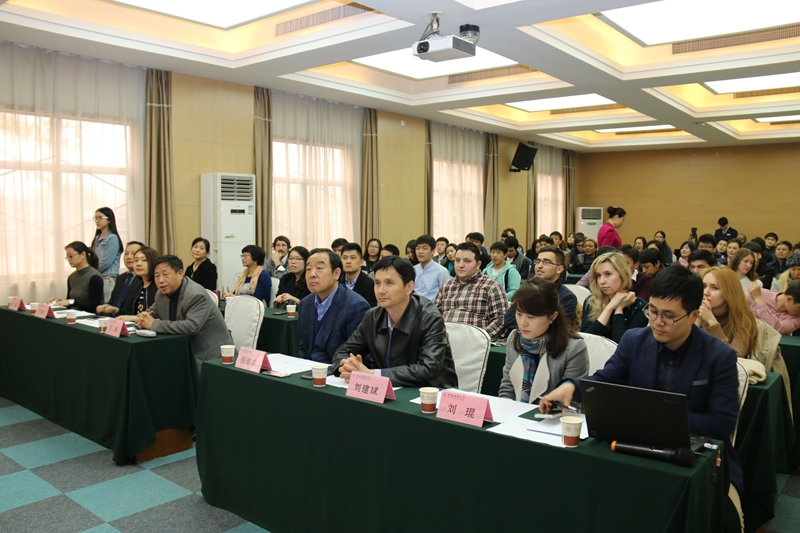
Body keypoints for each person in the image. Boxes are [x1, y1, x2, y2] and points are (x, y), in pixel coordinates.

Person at [541, 266, 744, 526]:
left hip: (696, 457)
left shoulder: (719, 356)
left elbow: (723, 423)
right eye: (653, 312)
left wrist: (656, 417)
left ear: (694, 316)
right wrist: (572, 386)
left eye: (669, 316)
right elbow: (606, 380)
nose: (657, 322)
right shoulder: (634, 340)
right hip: (635, 448)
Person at [333, 256, 458, 388]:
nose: (381, 290)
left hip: (430, 392)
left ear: (409, 287)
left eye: (389, 283)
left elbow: (428, 369)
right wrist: (349, 366)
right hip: (390, 389)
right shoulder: (373, 316)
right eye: (377, 283)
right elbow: (343, 351)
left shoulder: (429, 317)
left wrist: (371, 374)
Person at [135, 255, 233, 373]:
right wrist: (143, 318)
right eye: (157, 276)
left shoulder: (195, 294)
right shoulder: (161, 294)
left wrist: (153, 325)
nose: (160, 280)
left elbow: (191, 327)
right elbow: (151, 312)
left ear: (180, 274)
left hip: (208, 357)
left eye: (165, 274)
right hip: (180, 350)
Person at [498, 277, 589, 403]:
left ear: (552, 317)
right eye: (519, 314)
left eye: (531, 317)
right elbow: (507, 387)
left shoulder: (574, 348)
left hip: (550, 414)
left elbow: (570, 401)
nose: (523, 323)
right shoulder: (515, 338)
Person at [298, 248, 371, 364]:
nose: (312, 274)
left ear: (336, 273)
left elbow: (356, 356)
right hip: (309, 369)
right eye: (308, 269)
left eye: (319, 268)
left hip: (337, 370)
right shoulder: (306, 303)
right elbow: (304, 347)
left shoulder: (356, 306)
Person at [434, 242, 508, 341]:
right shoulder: (446, 286)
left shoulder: (491, 287)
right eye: (457, 260)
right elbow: (434, 317)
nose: (461, 265)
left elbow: (501, 320)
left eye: (467, 261)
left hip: (476, 343)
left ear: (478, 265)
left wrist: (479, 338)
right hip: (445, 341)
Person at [504, 246, 578, 331]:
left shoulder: (567, 297)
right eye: (538, 261)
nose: (539, 266)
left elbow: (560, 328)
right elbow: (508, 320)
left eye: (546, 262)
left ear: (559, 269)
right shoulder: (526, 290)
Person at [580, 251, 648, 343]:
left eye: (608, 274)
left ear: (622, 275)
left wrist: (619, 309)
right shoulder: (591, 302)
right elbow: (587, 342)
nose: (601, 281)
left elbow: (623, 344)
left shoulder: (640, 307)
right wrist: (610, 308)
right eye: (598, 275)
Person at [697, 267, 758, 359]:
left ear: (730, 292)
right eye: (704, 286)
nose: (706, 292)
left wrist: (712, 321)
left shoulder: (744, 321)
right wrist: (696, 321)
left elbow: (733, 358)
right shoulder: (693, 312)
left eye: (715, 288)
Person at [97, 246, 159, 320]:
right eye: (136, 260)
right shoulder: (138, 285)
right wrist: (116, 310)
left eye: (144, 260)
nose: (138, 264)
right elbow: (133, 313)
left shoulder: (158, 286)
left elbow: (155, 316)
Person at [49, 241, 104, 313]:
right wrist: (59, 301)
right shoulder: (71, 277)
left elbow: (95, 306)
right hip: (73, 314)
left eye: (71, 256)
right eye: (67, 257)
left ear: (83, 255)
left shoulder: (94, 277)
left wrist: (72, 302)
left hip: (89, 316)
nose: (69, 260)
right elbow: (70, 302)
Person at [91, 207, 123, 302]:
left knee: (106, 306)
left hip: (107, 279)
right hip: (98, 278)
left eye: (100, 218)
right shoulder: (97, 238)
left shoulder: (112, 238)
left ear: (109, 220)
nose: (97, 221)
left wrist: (91, 272)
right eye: (95, 218)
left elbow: (106, 262)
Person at [411, 234, 451, 301]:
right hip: (414, 305)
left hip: (433, 306)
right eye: (418, 248)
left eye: (425, 248)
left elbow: (447, 294)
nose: (420, 252)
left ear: (433, 251)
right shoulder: (412, 270)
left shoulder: (441, 271)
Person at [106, 241, 143, 310]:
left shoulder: (143, 278)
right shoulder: (120, 278)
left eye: (133, 253)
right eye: (126, 254)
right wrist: (104, 307)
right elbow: (112, 302)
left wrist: (117, 311)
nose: (129, 257)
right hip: (114, 316)